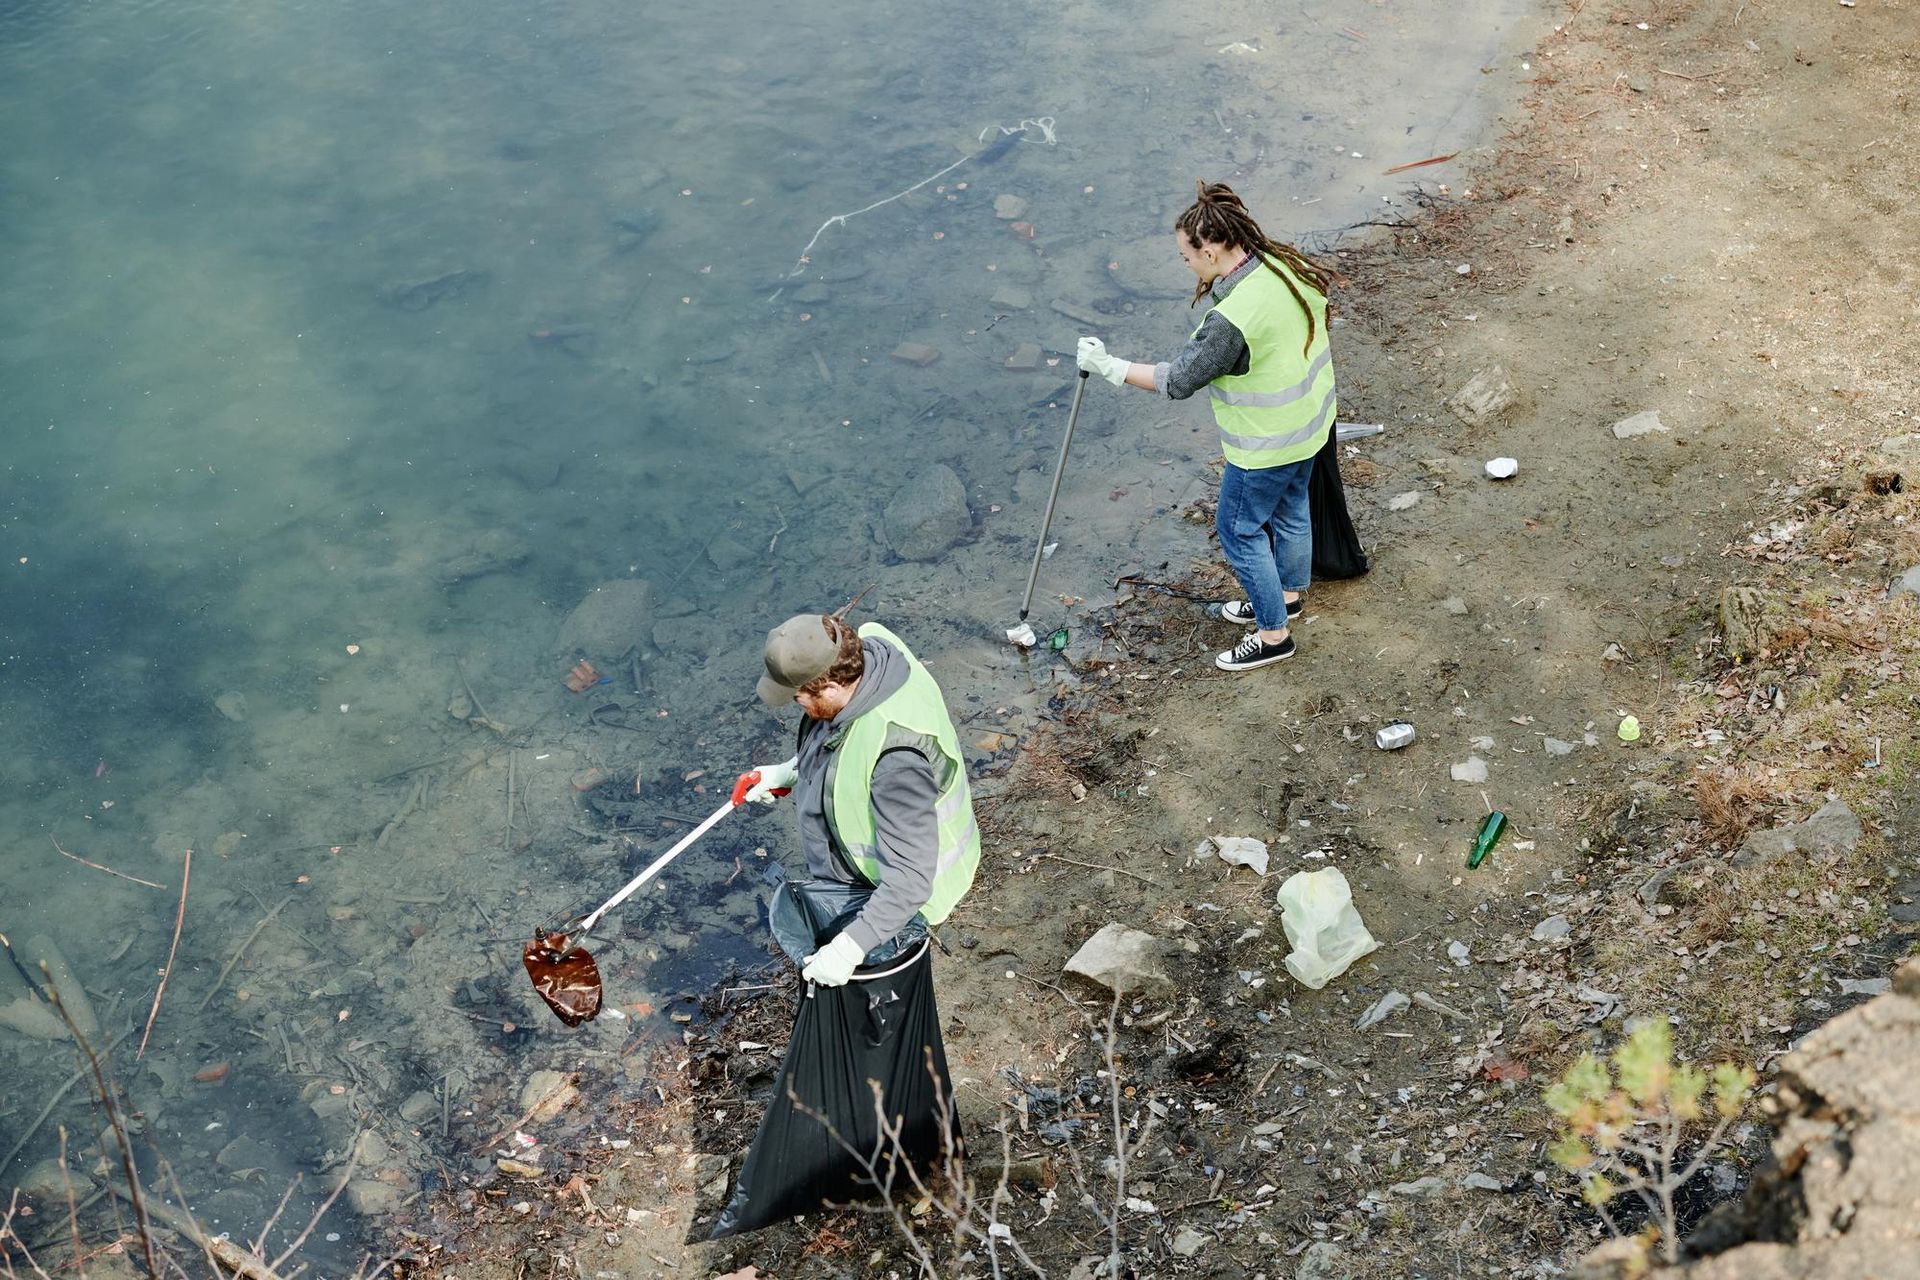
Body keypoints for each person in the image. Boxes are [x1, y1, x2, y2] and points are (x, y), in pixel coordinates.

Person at [1076, 181, 1340, 673]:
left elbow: (1178, 380)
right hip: (1311, 423)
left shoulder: (1230, 320)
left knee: (1238, 531)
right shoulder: (1282, 265)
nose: (1187, 265)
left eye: (1186, 256)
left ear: (1213, 249)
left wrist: (1108, 366)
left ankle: (1273, 634)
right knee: (1290, 510)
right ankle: (1286, 597)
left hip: (1265, 445)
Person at [734, 612, 981, 985]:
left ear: (831, 685)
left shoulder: (897, 760)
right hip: (891, 865)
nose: (798, 707)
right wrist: (793, 770)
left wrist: (850, 947)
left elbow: (911, 880)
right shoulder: (873, 655)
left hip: (907, 896)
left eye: (800, 700)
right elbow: (843, 738)